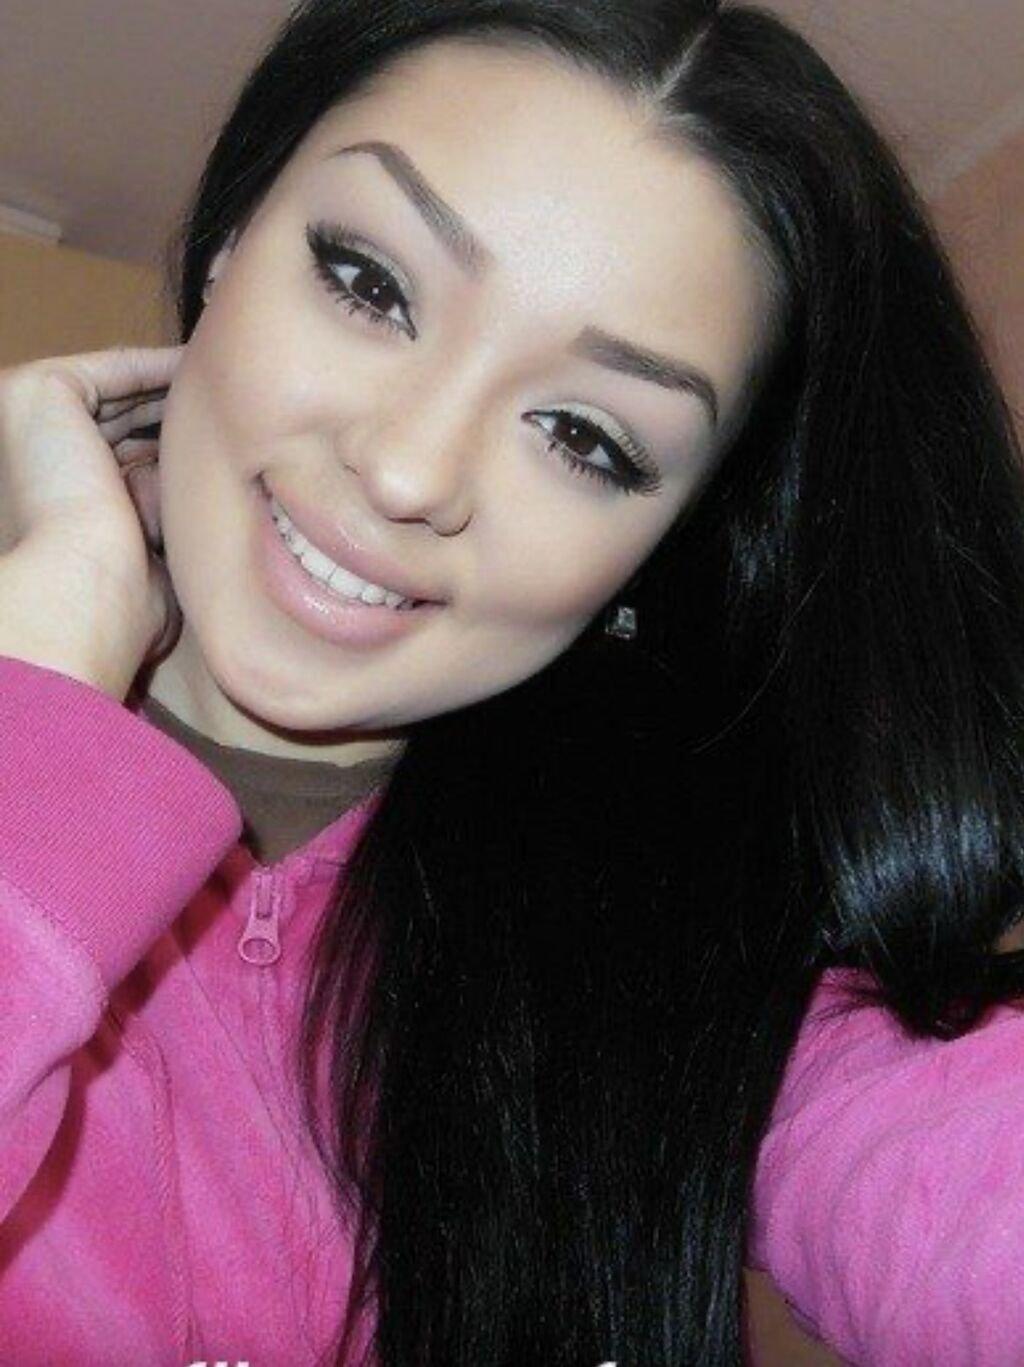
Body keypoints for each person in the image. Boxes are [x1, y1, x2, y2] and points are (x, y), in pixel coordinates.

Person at [0, 0, 1019, 1364]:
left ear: (664, 539)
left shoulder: (698, 977)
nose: (408, 471)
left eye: (585, 437)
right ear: (230, 242)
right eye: (370, 284)